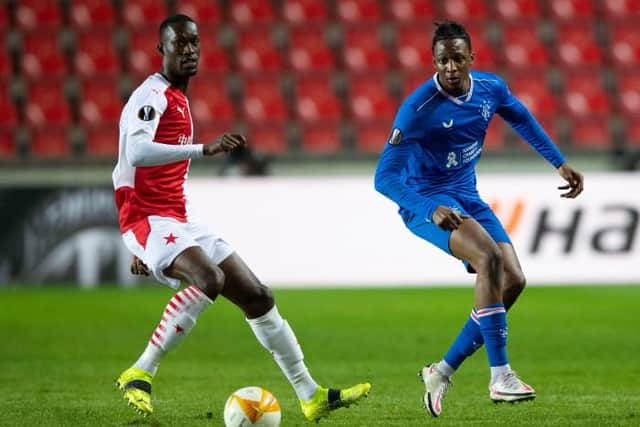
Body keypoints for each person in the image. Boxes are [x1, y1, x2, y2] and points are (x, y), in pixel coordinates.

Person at [112, 14, 370, 420]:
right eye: (179, 44)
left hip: (175, 216)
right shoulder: (152, 96)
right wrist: (202, 151)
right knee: (209, 279)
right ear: (161, 50)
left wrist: (148, 244)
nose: (189, 50)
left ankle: (310, 394)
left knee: (258, 296)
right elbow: (136, 153)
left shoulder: (177, 96)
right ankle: (140, 371)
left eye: (194, 42)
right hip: (148, 216)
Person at [374, 21, 584, 418]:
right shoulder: (418, 109)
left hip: (466, 194)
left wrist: (559, 162)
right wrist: (428, 209)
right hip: (428, 201)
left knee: (514, 280)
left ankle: (441, 371)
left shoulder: (490, 89)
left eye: (457, 58)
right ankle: (500, 376)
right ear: (433, 63)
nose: (450, 67)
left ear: (471, 58)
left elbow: (521, 117)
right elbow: (383, 177)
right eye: (442, 60)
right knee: (489, 259)